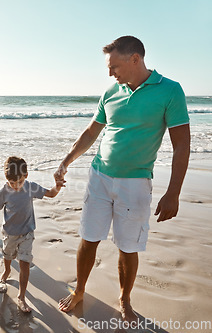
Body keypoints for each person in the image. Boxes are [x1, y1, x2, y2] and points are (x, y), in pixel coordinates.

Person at [55, 36, 190, 323]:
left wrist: (173, 192)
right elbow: (92, 132)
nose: (110, 72)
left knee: (128, 246)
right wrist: (66, 161)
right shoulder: (111, 91)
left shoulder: (170, 91)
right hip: (99, 177)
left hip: (136, 183)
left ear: (135, 59)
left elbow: (182, 144)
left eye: (114, 66)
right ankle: (79, 290)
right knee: (88, 238)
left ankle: (124, 299)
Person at [0, 156, 64, 313]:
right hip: (9, 233)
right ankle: (7, 270)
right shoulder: (3, 192)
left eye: (20, 182)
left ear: (26, 176)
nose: (16, 186)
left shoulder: (30, 187)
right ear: (7, 179)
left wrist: (57, 187)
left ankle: (21, 297)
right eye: (12, 183)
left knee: (24, 263)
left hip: (27, 233)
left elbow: (50, 194)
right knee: (8, 255)